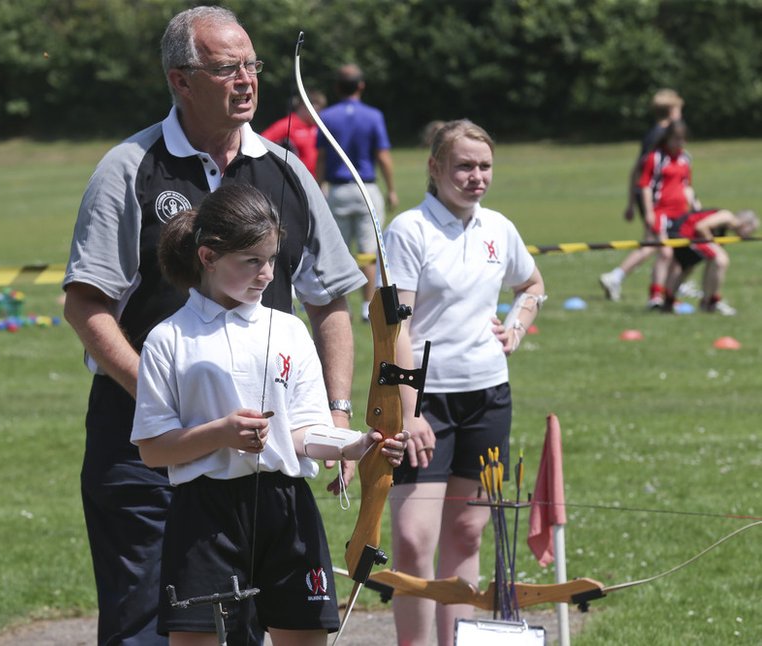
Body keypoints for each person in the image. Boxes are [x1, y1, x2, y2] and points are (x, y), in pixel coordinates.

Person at [62, 7, 365, 645]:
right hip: (142, 446)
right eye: (227, 69)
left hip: (256, 456)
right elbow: (87, 305)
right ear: (181, 80)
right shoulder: (129, 167)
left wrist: (335, 417)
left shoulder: (286, 171)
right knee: (147, 623)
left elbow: (330, 300)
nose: (246, 81)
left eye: (251, 66)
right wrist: (161, 399)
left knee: (248, 624)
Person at [131, 184, 409, 645]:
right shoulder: (169, 339)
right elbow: (152, 450)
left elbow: (303, 432)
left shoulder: (290, 330)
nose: (266, 274)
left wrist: (358, 446)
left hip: (286, 510)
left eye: (272, 260)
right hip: (205, 517)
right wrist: (221, 433)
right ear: (207, 257)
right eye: (251, 262)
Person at [382, 120, 546, 646]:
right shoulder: (409, 230)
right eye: (464, 166)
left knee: (468, 530)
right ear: (434, 168)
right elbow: (395, 328)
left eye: (484, 167)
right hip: (425, 402)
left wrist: (517, 324)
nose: (476, 177)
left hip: (488, 397)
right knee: (412, 540)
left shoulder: (499, 227)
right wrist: (409, 414)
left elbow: (533, 283)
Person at [317, 63, 399, 322]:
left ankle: (343, 307)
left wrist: (319, 187)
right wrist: (392, 189)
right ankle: (367, 307)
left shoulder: (327, 116)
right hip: (366, 189)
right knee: (369, 252)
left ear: (337, 87)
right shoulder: (374, 115)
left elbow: (321, 158)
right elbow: (383, 157)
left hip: (338, 191)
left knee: (337, 252)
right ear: (361, 85)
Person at [600, 89, 684, 304]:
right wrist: (639, 204)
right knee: (655, 243)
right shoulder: (662, 134)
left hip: (655, 197)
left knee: (664, 243)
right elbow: (642, 171)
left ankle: (673, 283)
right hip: (654, 198)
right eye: (679, 109)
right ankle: (616, 276)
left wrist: (630, 202)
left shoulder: (658, 132)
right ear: (672, 110)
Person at [662, 208, 759, 315]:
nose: (747, 235)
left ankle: (668, 302)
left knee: (687, 267)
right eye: (750, 230)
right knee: (721, 259)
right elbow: (701, 226)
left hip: (685, 233)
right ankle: (712, 301)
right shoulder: (728, 217)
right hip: (686, 232)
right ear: (745, 224)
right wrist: (714, 245)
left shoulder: (726, 226)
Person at [259, 90, 327, 178]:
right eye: (316, 110)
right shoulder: (287, 125)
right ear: (304, 106)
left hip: (315, 180)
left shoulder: (317, 127)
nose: (319, 114)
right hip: (293, 178)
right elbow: (262, 142)